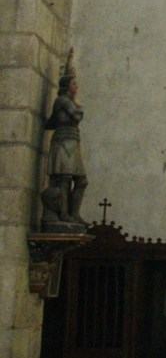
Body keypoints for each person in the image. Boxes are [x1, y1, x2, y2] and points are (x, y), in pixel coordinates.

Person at [42, 50, 88, 227]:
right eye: (73, 84)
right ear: (67, 86)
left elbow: (52, 122)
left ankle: (74, 214)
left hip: (72, 140)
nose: (76, 87)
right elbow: (76, 116)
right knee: (64, 177)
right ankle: (62, 213)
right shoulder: (62, 100)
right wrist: (79, 105)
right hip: (63, 141)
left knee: (81, 180)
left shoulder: (66, 101)